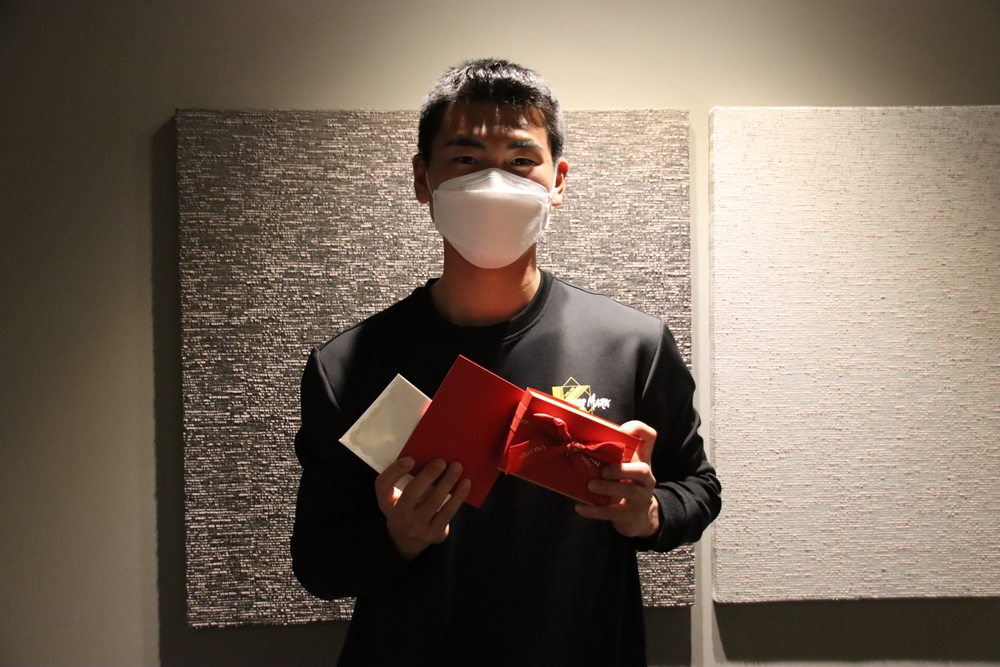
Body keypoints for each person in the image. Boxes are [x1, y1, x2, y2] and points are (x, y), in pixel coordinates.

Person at [291, 58, 721, 667]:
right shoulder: (348, 365)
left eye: (521, 161)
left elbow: (698, 488)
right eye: (466, 158)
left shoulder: (632, 344)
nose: (494, 183)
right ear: (423, 178)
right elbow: (318, 562)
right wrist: (397, 538)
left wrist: (647, 512)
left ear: (558, 180)